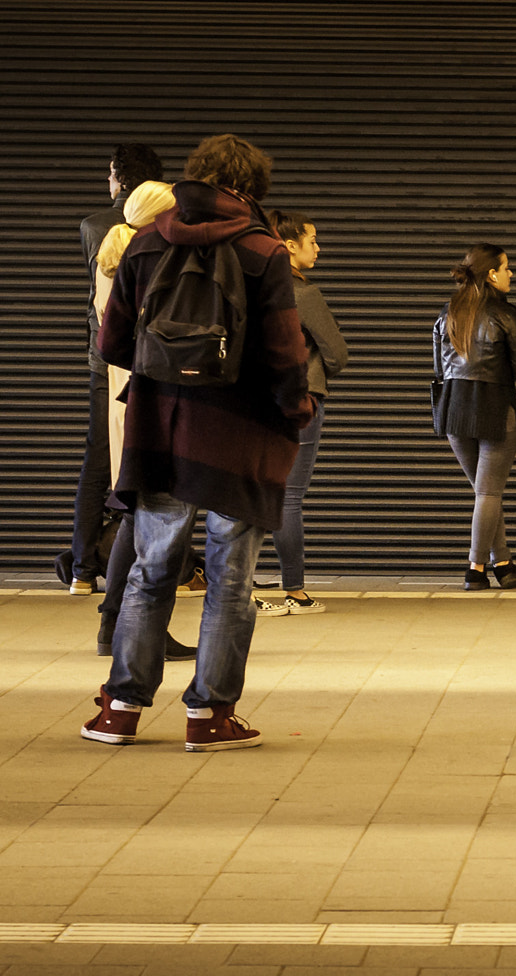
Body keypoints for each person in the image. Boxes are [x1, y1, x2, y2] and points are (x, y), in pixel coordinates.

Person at [81, 134, 313, 751]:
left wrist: (166, 374)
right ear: (252, 188)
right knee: (230, 578)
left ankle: (121, 710)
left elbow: (109, 345)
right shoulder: (263, 251)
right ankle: (209, 717)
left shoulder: (147, 242)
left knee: (151, 571)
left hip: (161, 429)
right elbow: (285, 352)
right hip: (241, 434)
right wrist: (298, 406)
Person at [88, 180, 196, 661]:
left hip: (129, 390)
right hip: (150, 392)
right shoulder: (145, 258)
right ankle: (125, 625)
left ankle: (117, 624)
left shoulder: (118, 256)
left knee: (140, 506)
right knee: (151, 509)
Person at [63, 144, 163, 596]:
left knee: (96, 459)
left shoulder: (93, 226)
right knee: (147, 462)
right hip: (148, 363)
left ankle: (83, 569)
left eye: (109, 174)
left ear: (119, 179)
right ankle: (149, 564)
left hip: (102, 358)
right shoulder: (164, 231)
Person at [255, 211, 348, 617]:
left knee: (257, 491)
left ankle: (240, 585)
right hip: (301, 398)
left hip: (257, 400)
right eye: (312, 240)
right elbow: (337, 352)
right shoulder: (303, 293)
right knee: (290, 496)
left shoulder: (255, 286)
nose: (318, 247)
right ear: (289, 246)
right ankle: (295, 590)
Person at [433, 243, 516, 591]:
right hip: (495, 409)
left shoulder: (448, 312)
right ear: (492, 274)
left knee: (485, 492)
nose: (512, 274)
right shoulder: (506, 314)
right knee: (489, 493)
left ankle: (504, 565)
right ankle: (475, 570)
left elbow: (439, 368)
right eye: (507, 268)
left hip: (452, 409)